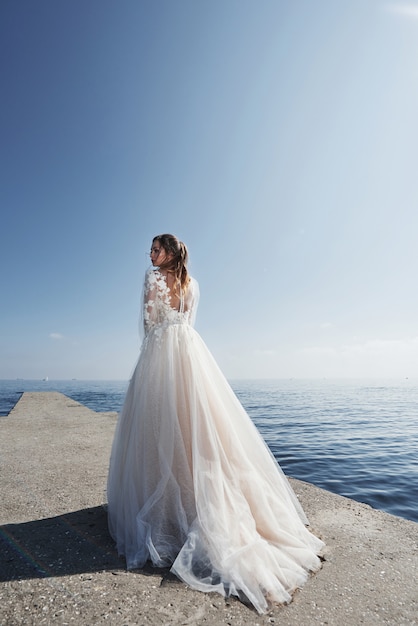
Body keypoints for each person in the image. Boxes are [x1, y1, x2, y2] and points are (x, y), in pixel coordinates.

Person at [107, 233, 324, 614]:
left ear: (169, 252)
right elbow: (186, 319)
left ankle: (171, 510)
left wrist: (152, 346)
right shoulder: (194, 284)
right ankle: (199, 504)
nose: (151, 255)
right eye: (151, 250)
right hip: (190, 351)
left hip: (162, 351)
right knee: (199, 431)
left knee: (160, 427)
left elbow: (148, 320)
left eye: (156, 249)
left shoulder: (151, 276)